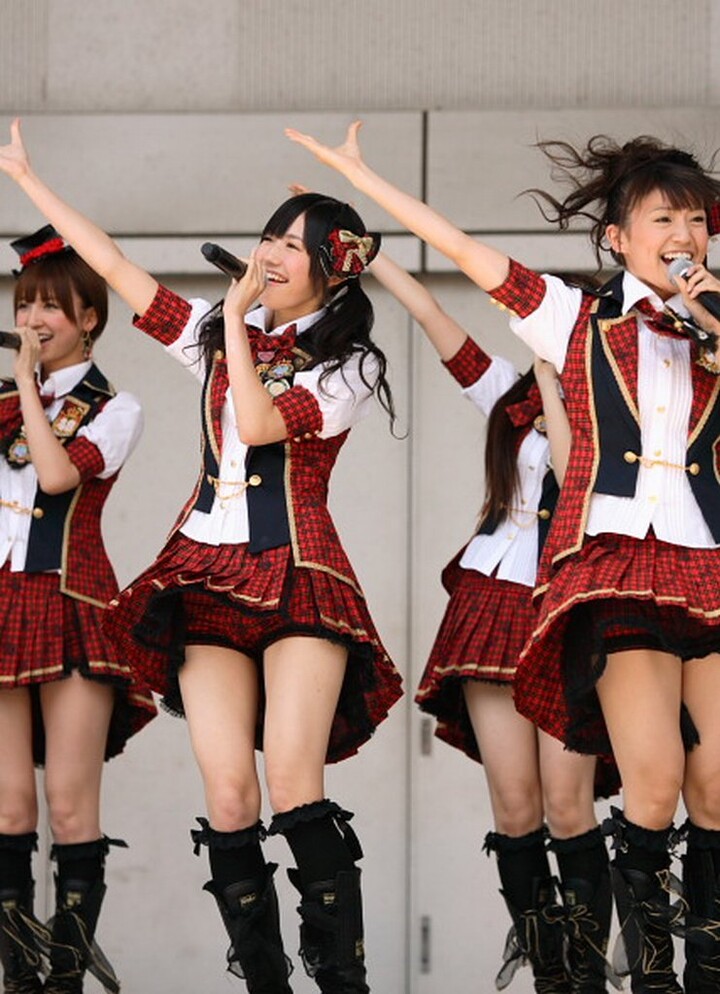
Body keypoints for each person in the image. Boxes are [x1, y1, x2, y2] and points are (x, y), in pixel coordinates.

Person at [287, 121, 720, 994]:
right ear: (617, 238)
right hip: (611, 567)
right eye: (664, 219)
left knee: (713, 789)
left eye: (697, 220)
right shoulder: (572, 321)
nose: (685, 235)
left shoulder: (711, 325)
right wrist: (363, 182)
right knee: (643, 787)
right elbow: (460, 255)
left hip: (706, 562)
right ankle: (641, 977)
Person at [0, 120, 403, 994]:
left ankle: (344, 983)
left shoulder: (351, 365)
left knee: (292, 783)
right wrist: (28, 179)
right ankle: (264, 984)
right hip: (204, 575)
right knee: (228, 798)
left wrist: (234, 326)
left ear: (332, 270)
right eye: (270, 237)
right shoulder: (219, 335)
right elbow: (114, 268)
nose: (272, 254)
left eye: (294, 245)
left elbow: (258, 423)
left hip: (297, 573)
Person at [370, 250, 614, 993]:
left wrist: (558, 381)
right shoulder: (507, 394)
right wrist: (375, 254)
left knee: (567, 806)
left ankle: (584, 975)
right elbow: (433, 317)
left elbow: (573, 476)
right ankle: (551, 976)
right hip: (493, 599)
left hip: (566, 605)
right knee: (515, 809)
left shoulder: (618, 403)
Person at [0, 223, 155, 994]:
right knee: (7, 810)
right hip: (2, 601)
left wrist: (26, 384)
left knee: (69, 808)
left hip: (73, 600)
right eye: (24, 304)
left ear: (89, 317)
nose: (33, 319)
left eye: (51, 307)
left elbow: (59, 476)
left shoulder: (115, 407)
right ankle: (18, 978)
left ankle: (66, 979)